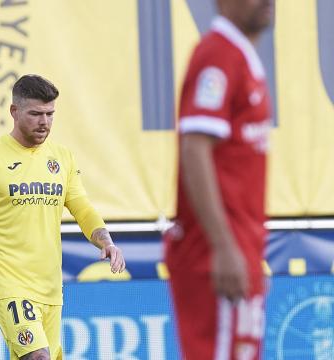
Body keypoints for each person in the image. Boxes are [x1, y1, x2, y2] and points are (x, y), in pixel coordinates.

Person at [0, 74, 125, 360]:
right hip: (9, 285)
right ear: (14, 112)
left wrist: (106, 241)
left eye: (50, 114)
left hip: (51, 289)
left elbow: (81, 207)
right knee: (38, 357)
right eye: (36, 114)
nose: (44, 122)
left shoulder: (62, 158)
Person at [164, 0, 274, 359]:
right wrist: (224, 248)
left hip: (240, 248)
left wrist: (246, 253)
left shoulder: (241, 57)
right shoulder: (217, 56)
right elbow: (194, 149)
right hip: (213, 254)